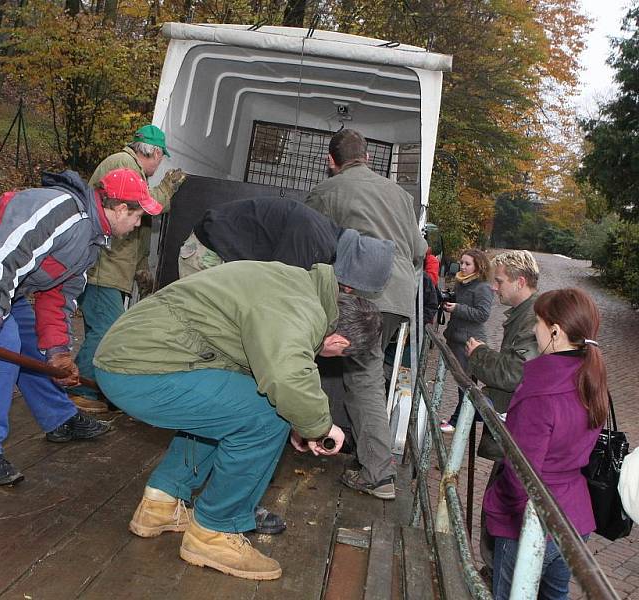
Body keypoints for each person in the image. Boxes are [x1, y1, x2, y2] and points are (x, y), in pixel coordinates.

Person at [93, 261, 381, 580]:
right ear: (341, 344)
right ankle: (215, 531)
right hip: (141, 367)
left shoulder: (297, 286)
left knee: (236, 407)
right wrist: (321, 426)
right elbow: (287, 377)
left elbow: (260, 372)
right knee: (265, 415)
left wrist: (300, 422)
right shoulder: (302, 310)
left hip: (137, 355)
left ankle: (162, 502)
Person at [0, 168, 162, 485]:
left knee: (33, 344)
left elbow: (59, 297)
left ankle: (59, 418)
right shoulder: (61, 210)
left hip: (7, 284)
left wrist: (59, 353)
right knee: (3, 343)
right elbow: (0, 256)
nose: (138, 225)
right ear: (120, 209)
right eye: (138, 216)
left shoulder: (90, 240)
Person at [304, 128, 427, 499]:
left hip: (359, 291)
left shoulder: (327, 191)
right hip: (400, 294)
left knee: (362, 376)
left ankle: (377, 473)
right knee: (367, 372)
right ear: (369, 157)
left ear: (331, 161)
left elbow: (307, 238)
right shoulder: (400, 195)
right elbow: (420, 250)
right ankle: (367, 458)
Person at [484, 288, 608, 599]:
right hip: (574, 516)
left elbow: (521, 474)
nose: (533, 330)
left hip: (532, 521)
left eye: (537, 322)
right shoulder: (590, 377)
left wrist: (500, 506)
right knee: (555, 594)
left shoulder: (540, 390)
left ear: (555, 330)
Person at [69, 124, 186, 414]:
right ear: (155, 152)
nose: (160, 165)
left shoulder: (124, 164)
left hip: (109, 268)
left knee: (101, 329)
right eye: (162, 158)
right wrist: (167, 189)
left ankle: (86, 388)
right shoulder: (124, 165)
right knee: (107, 330)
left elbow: (137, 227)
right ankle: (80, 390)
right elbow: (143, 207)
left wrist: (141, 266)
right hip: (102, 269)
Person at [465, 249, 540, 572]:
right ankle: (496, 570)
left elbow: (515, 373)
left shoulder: (532, 317)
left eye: (499, 281)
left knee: (503, 505)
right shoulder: (525, 315)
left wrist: (480, 355)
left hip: (517, 429)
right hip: (514, 425)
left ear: (519, 281)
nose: (494, 288)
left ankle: (498, 573)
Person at [178, 195, 395, 293]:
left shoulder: (326, 239)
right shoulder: (313, 240)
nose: (347, 291)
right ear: (353, 269)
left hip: (221, 253)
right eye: (351, 286)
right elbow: (277, 293)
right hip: (207, 254)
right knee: (196, 327)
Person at [439, 248, 494, 433]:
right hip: (455, 338)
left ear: (478, 266)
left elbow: (483, 314)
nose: (462, 266)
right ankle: (460, 419)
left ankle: (459, 421)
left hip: (470, 342)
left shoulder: (483, 287)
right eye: (461, 262)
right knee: (460, 382)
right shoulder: (461, 283)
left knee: (466, 384)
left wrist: (458, 308)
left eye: (467, 263)